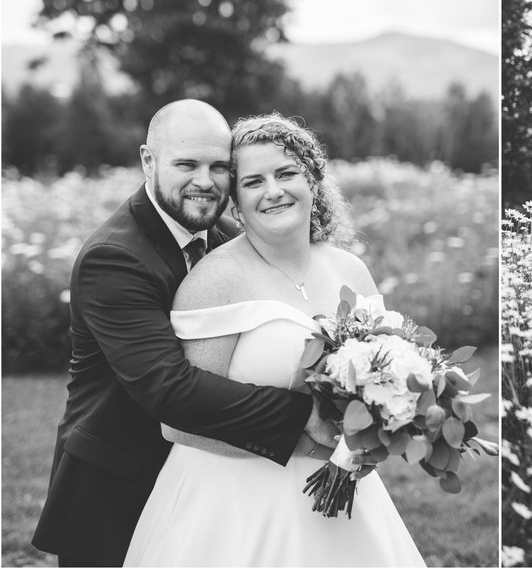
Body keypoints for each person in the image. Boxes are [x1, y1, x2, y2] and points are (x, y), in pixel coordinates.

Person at [32, 100, 341, 567]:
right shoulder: (114, 257)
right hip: (118, 486)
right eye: (187, 164)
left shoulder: (220, 236)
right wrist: (306, 416)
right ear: (148, 161)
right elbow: (168, 388)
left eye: (220, 166)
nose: (205, 180)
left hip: (210, 478)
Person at [123, 113, 425, 566]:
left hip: (348, 498)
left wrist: (379, 430)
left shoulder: (351, 270)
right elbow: (182, 423)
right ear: (236, 204)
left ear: (313, 183)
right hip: (234, 509)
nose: (274, 191)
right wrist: (313, 445)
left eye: (286, 173)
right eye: (253, 181)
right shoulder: (215, 281)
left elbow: (382, 375)